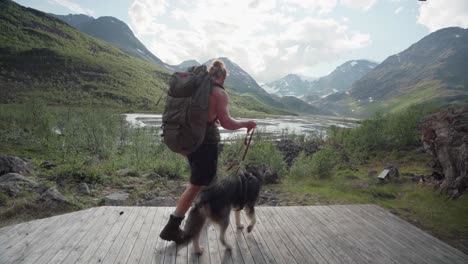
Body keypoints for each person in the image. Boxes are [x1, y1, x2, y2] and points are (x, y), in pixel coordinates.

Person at [159, 60, 257, 243]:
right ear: (223, 76)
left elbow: (199, 116)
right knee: (198, 184)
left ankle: (199, 221)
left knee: (204, 183)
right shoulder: (219, 93)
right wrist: (246, 124)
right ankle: (174, 226)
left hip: (190, 140)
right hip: (205, 143)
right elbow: (227, 123)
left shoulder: (196, 88)